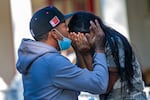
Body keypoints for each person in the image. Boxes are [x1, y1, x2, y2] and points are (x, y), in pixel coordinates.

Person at [16, 6, 109, 100]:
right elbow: (99, 84)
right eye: (64, 26)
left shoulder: (37, 59)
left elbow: (75, 84)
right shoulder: (51, 62)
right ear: (54, 33)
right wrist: (99, 48)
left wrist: (79, 51)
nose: (68, 30)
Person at [68, 11, 147, 100]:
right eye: (75, 39)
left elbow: (102, 86)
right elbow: (87, 79)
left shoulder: (114, 43)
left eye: (82, 38)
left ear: (94, 30)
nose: (80, 41)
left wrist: (86, 54)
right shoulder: (85, 48)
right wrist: (79, 51)